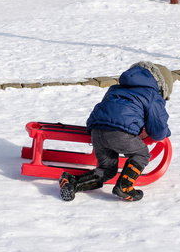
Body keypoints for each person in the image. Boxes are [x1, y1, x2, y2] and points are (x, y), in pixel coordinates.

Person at [59, 61, 173, 202]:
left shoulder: (115, 88)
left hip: (97, 130)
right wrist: (164, 133)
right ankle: (124, 186)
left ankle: (73, 183)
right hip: (119, 133)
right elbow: (158, 129)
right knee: (141, 154)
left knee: (107, 170)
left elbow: (113, 111)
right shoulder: (152, 95)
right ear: (162, 87)